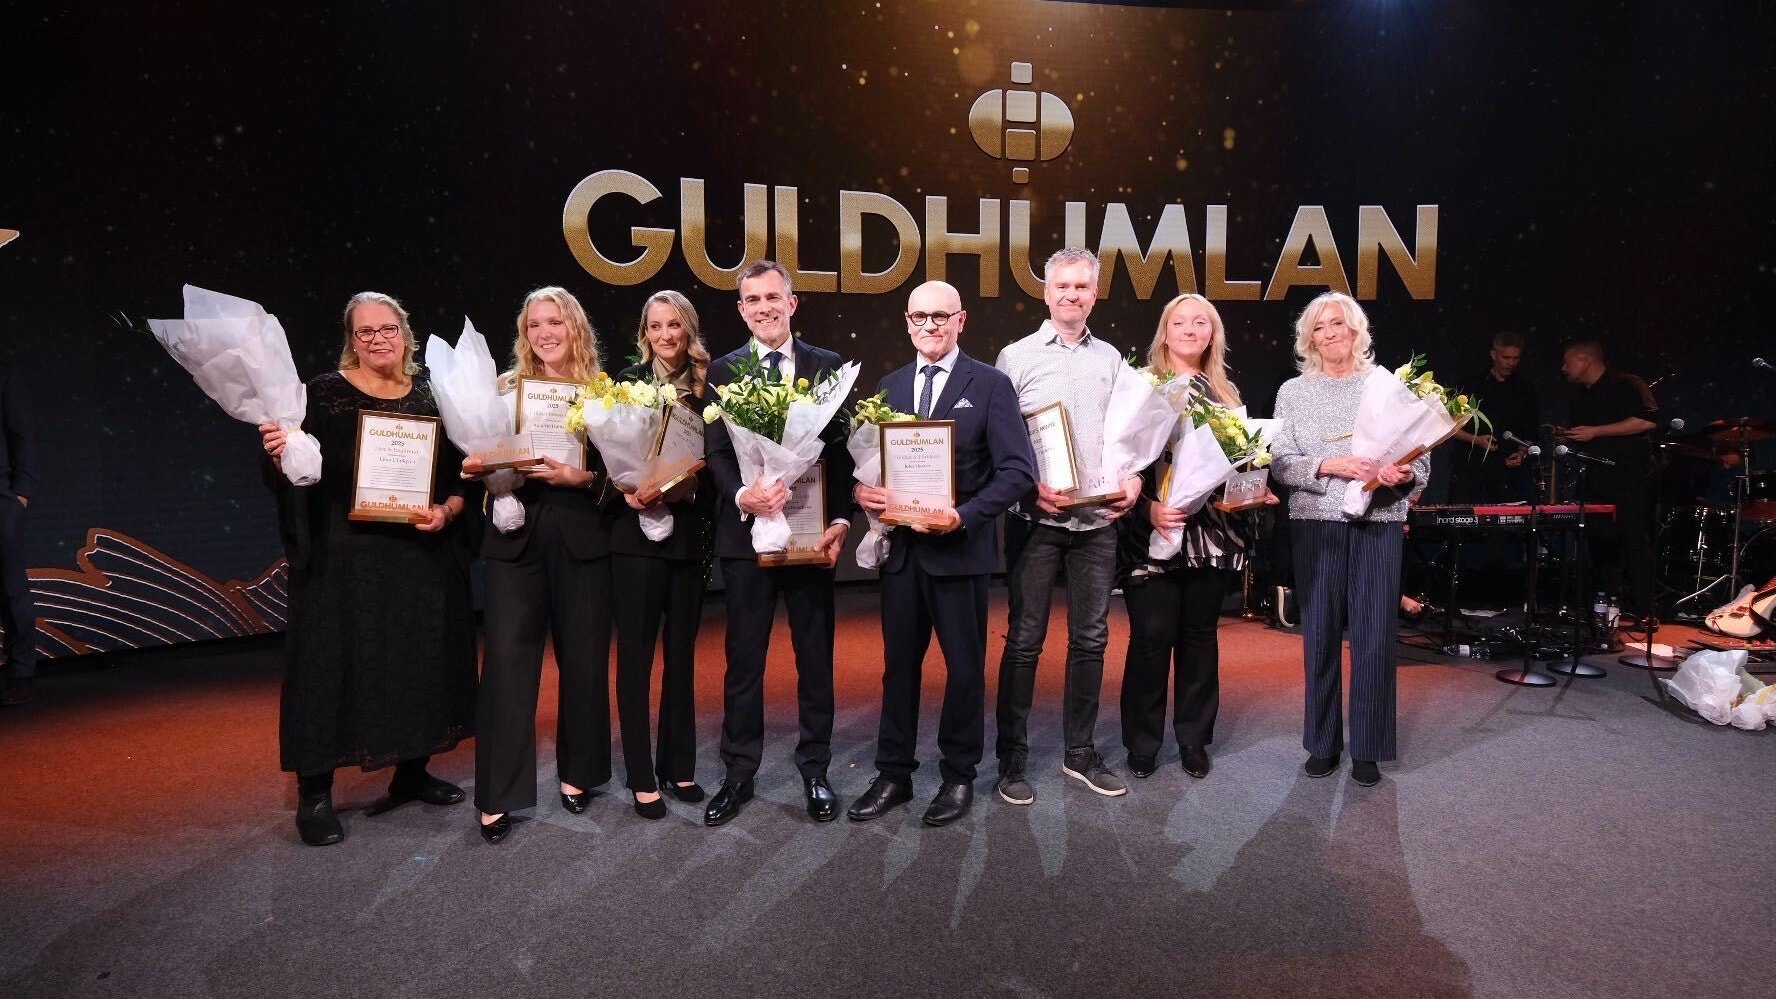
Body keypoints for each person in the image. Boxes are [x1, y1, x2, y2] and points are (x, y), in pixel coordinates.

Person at [259, 292, 476, 846]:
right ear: (350, 339)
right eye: (365, 332)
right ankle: (314, 795)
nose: (378, 339)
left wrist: (447, 511)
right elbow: (293, 471)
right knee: (330, 666)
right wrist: (278, 448)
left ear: (405, 333)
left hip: (417, 557)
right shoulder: (319, 394)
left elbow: (460, 477)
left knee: (417, 659)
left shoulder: (433, 397)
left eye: (388, 329)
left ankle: (410, 773)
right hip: (343, 558)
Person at [847, 280, 1034, 826]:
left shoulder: (992, 385)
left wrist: (965, 516)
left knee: (963, 670)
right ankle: (894, 773)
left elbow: (1017, 472)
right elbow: (874, 467)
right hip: (903, 555)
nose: (929, 326)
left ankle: (958, 775)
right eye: (919, 317)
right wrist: (865, 493)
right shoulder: (890, 385)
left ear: (961, 320)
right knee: (897, 669)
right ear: (907, 321)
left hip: (960, 554)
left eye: (940, 316)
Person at [702, 260, 853, 827]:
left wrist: (840, 520)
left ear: (792, 303)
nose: (764, 307)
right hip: (747, 542)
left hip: (813, 538)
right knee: (744, 662)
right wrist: (743, 497)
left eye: (773, 297)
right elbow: (717, 452)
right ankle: (738, 773)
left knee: (815, 659)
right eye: (752, 300)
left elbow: (840, 455)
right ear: (741, 310)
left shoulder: (828, 366)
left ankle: (815, 768)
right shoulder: (723, 370)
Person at [993, 247, 1145, 805]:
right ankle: (1012, 759)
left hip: (1097, 522)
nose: (1071, 295)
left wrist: (1134, 480)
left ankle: (1079, 753)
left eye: (1082, 287)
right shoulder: (1015, 358)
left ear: (1094, 294)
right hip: (1036, 518)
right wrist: (1030, 487)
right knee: (1025, 640)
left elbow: (1129, 438)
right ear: (1046, 292)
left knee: (1091, 639)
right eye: (1062, 287)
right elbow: (1000, 440)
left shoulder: (1112, 361)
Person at [468, 286, 613, 844]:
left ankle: (580, 773)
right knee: (505, 666)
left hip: (583, 540)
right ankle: (498, 794)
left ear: (575, 326)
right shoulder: (504, 391)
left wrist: (585, 479)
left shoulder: (604, 393)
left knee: (584, 662)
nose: (544, 333)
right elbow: (480, 456)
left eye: (555, 322)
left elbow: (624, 479)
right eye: (533, 325)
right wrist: (483, 468)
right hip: (516, 540)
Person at [1269, 291, 1429, 787]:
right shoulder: (1292, 392)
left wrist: (1405, 476)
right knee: (1318, 636)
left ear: (1357, 330)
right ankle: (1322, 743)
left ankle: (1368, 748)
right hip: (1316, 522)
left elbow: (1420, 457)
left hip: (1377, 523)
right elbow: (1278, 461)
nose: (1331, 332)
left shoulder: (1388, 387)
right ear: (1308, 338)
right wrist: (1329, 464)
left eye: (1339, 323)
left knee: (1375, 638)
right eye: (1320, 327)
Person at [1116, 294, 1274, 782]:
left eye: (1200, 322)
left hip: (1213, 534)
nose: (1189, 329)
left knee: (1200, 639)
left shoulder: (1225, 392)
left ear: (1212, 334)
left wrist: (1253, 491)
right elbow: (1119, 464)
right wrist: (1148, 509)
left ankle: (1192, 738)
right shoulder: (1142, 387)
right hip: (1155, 529)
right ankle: (1142, 742)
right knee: (1150, 640)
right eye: (1179, 321)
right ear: (1164, 332)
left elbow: (1235, 465)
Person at [610, 290, 714, 818]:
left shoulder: (712, 388)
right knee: (635, 660)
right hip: (634, 542)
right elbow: (602, 457)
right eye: (655, 326)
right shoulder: (625, 383)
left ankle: (680, 764)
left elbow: (720, 466)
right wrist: (629, 489)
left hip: (688, 536)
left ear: (688, 329)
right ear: (644, 333)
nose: (665, 335)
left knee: (680, 658)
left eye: (674, 325)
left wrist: (686, 484)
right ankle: (641, 774)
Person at [1558, 340, 1658, 622]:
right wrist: (1569, 437)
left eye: (1568, 362)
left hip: (1631, 476)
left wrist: (1596, 431)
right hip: (1595, 477)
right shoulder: (1580, 395)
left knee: (1635, 540)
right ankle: (1607, 606)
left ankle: (1645, 610)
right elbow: (1587, 435)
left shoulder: (1627, 384)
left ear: (1585, 360)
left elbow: (1647, 420)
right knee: (1601, 542)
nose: (1563, 368)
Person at [1447, 332, 1539, 503]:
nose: (1511, 363)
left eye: (1515, 358)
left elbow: (1530, 428)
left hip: (1506, 470)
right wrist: (1477, 439)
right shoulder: (1470, 385)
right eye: (1506, 357)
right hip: (1469, 467)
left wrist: (1521, 453)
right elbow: (1450, 427)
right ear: (1493, 355)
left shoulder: (1525, 389)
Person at [0, 363, 38, 707]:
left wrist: (21, 493)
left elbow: (22, 433)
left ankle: (21, 673)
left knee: (11, 589)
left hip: (2, 498)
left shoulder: (5, 374)